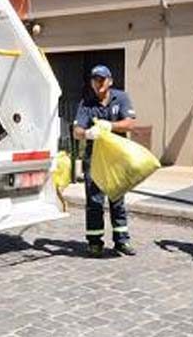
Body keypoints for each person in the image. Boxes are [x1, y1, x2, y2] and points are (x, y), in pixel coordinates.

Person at [73, 65, 137, 258]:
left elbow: (130, 123)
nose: (98, 83)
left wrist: (110, 125)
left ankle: (122, 241)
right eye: (95, 79)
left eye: (102, 79)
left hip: (116, 160)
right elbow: (76, 131)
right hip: (94, 160)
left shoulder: (121, 98)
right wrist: (87, 133)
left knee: (117, 200)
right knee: (94, 202)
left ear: (110, 81)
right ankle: (94, 242)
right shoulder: (86, 103)